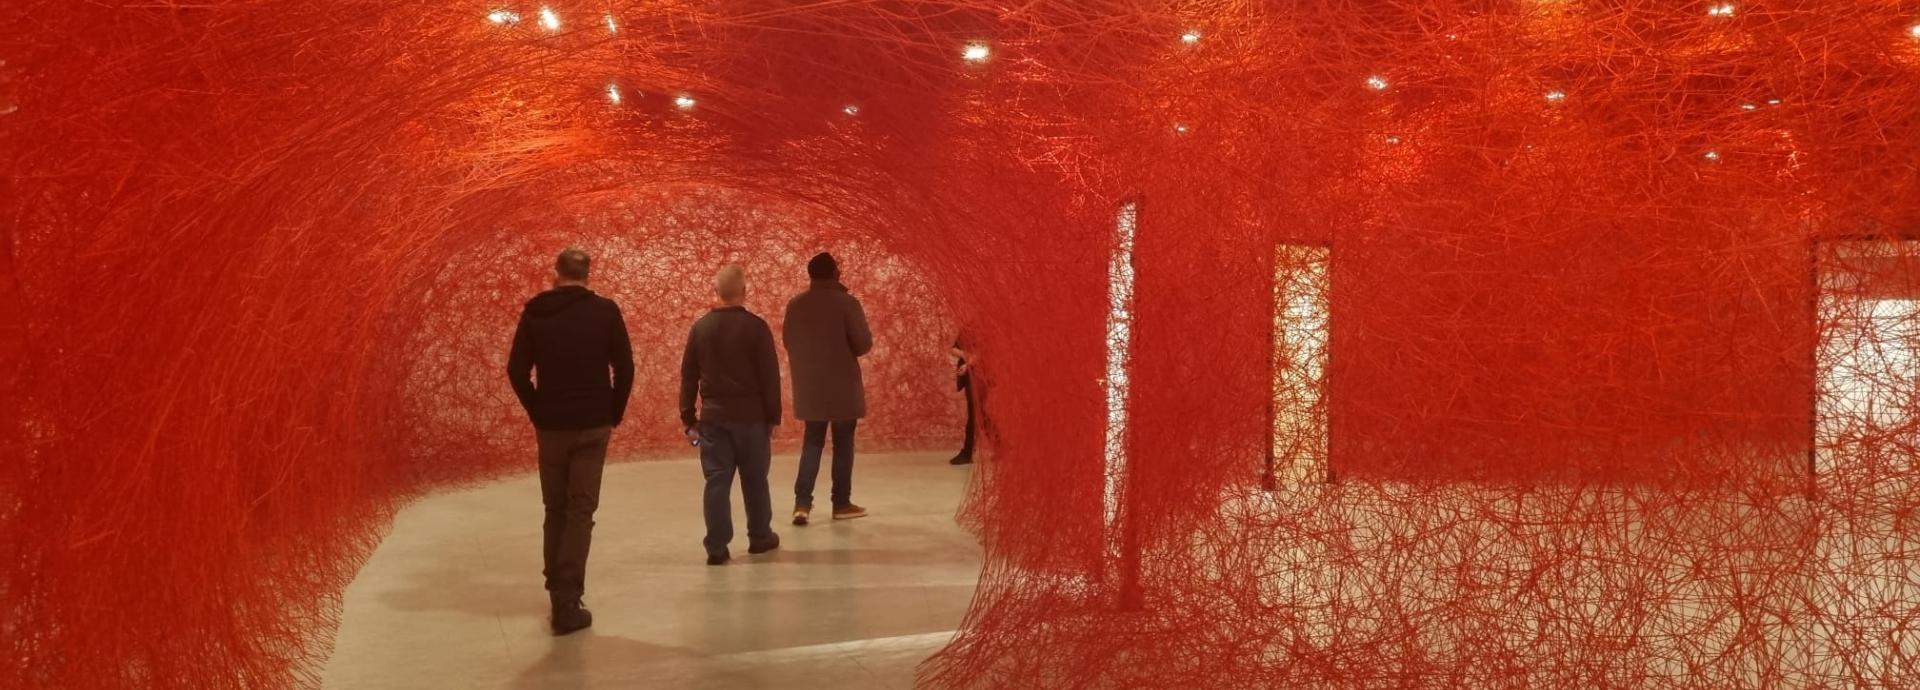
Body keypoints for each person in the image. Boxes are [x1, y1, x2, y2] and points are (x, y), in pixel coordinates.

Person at [507, 247, 634, 636]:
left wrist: (537, 408)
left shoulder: (535, 312)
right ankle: (568, 598)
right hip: (593, 423)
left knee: (555, 507)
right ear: (588, 273)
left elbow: (516, 370)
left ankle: (556, 590)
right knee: (581, 510)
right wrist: (613, 410)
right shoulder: (605, 311)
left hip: (552, 425)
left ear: (556, 272)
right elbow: (625, 366)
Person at [680, 264, 782, 566]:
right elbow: (769, 376)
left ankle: (716, 547)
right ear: (745, 291)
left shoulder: (700, 328)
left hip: (714, 418)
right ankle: (760, 536)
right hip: (752, 417)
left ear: (716, 292)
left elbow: (688, 377)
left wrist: (688, 419)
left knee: (716, 481)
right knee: (755, 479)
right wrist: (773, 417)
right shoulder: (757, 327)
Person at [783, 252, 874, 524]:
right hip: (843, 386)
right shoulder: (847, 303)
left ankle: (802, 504)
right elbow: (863, 344)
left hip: (810, 387)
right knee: (843, 444)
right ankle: (841, 503)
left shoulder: (795, 305)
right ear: (835, 273)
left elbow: (789, 341)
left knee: (812, 442)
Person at [950, 333, 975, 465]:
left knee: (975, 413)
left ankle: (967, 453)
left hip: (982, 377)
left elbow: (989, 353)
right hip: (969, 377)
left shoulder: (990, 329)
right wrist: (965, 355)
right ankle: (1003, 448)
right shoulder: (969, 327)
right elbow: (953, 348)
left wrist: (969, 363)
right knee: (980, 414)